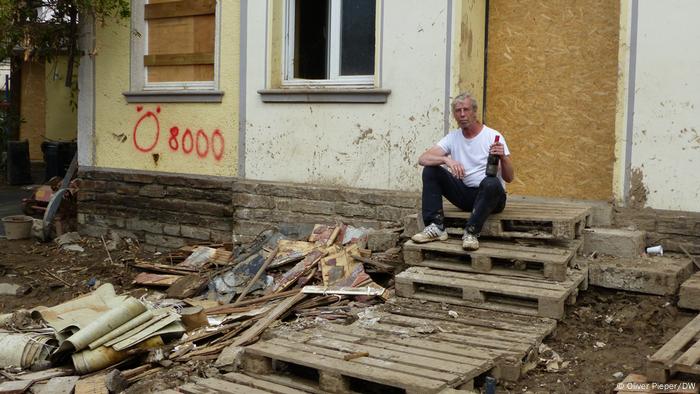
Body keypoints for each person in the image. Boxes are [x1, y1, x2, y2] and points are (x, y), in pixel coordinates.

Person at [411, 92, 514, 250]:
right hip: (465, 195)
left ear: (474, 112)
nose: (462, 114)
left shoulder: (493, 136)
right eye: (458, 111)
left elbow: (509, 178)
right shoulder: (453, 137)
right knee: (430, 171)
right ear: (454, 115)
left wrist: (503, 158)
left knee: (491, 182)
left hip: (492, 198)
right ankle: (436, 227)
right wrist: (446, 160)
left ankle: (471, 232)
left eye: (466, 109)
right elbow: (423, 158)